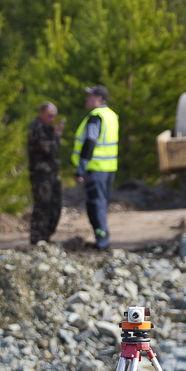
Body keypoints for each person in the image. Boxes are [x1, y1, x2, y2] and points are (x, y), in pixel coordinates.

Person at [71, 85, 118, 249]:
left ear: (99, 99)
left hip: (96, 168)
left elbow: (90, 142)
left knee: (95, 205)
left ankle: (102, 240)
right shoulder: (111, 116)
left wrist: (81, 168)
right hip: (109, 167)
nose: (86, 99)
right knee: (101, 204)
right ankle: (102, 238)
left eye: (90, 96)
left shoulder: (95, 117)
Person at [27, 102, 64, 244]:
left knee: (55, 207)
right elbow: (49, 150)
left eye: (54, 117)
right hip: (41, 175)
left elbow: (54, 151)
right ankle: (38, 238)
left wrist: (56, 136)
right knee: (43, 207)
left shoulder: (48, 129)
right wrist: (57, 137)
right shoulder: (37, 128)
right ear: (41, 113)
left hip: (51, 174)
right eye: (49, 116)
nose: (52, 120)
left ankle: (46, 236)